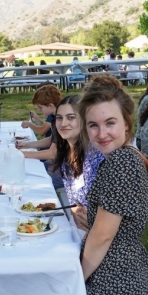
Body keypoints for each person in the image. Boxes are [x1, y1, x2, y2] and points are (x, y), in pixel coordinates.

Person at [78, 84, 148, 295]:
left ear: (126, 123)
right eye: (93, 125)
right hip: (123, 274)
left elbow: (102, 237)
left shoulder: (121, 163)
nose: (101, 133)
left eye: (110, 123)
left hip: (112, 285)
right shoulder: (126, 156)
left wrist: (76, 281)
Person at [50, 94, 104, 234]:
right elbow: (73, 200)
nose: (63, 124)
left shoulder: (97, 155)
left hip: (103, 233)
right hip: (80, 228)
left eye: (71, 117)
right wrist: (75, 213)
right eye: (59, 118)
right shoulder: (66, 156)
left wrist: (92, 221)